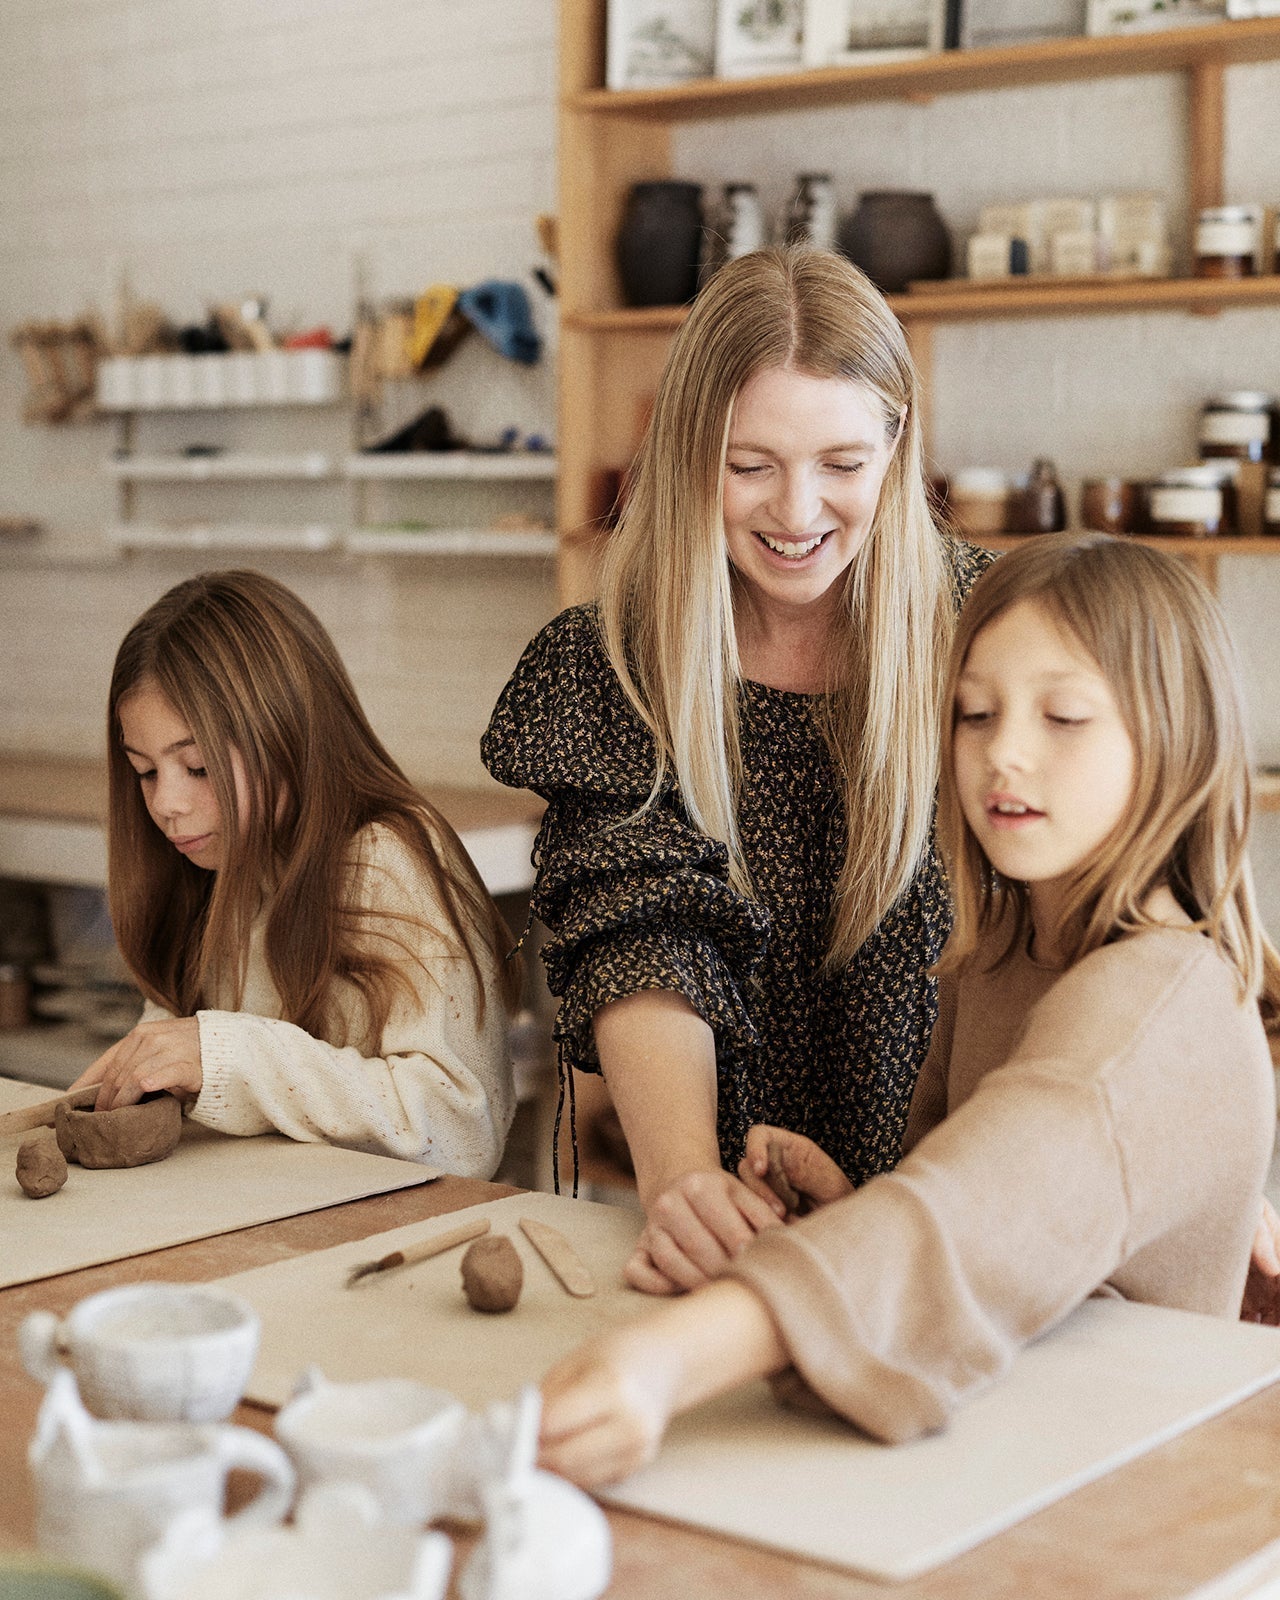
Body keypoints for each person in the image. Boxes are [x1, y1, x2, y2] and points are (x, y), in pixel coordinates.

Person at [536, 532, 1280, 1485]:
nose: (1005, 753)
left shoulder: (1159, 1000)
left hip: (1118, 1491)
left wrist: (663, 1360)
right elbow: (993, 1239)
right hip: (1014, 1449)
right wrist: (855, 1212)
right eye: (974, 713)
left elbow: (960, 1225)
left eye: (1063, 717)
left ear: (1176, 743)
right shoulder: (1001, 957)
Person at [482, 246, 992, 1293]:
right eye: (748, 464)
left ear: (897, 445)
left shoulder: (991, 638)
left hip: (964, 1227)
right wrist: (684, 1184)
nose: (795, 512)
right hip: (729, 1225)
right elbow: (641, 932)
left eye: (841, 465)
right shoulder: (613, 662)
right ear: (682, 451)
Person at [70, 570, 518, 1176]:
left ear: (287, 732)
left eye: (197, 766)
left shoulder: (388, 859)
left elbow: (462, 1132)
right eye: (145, 771)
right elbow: (179, 1071)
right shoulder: (204, 867)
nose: (166, 804)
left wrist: (226, 1055)